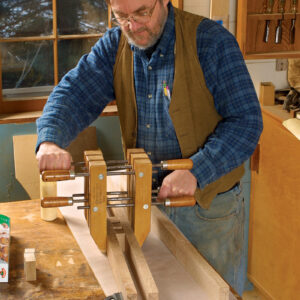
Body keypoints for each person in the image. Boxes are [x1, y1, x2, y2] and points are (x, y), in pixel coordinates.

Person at [36, 0, 263, 295]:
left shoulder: (211, 43)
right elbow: (74, 94)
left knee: (210, 292)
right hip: (145, 206)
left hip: (207, 210)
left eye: (142, 12)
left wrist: (197, 171)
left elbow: (247, 122)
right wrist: (50, 139)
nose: (133, 26)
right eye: (121, 16)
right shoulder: (115, 44)